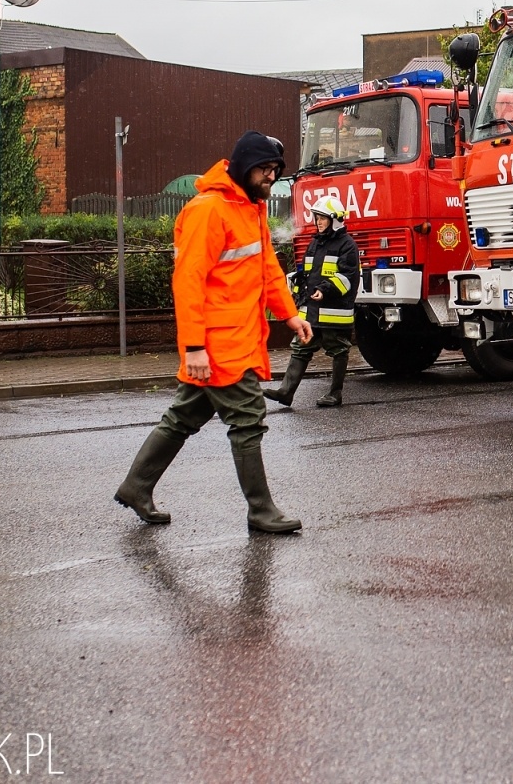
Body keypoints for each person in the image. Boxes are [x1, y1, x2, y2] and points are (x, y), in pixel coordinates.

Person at [113, 130, 313, 534]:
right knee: (248, 418)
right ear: (243, 166)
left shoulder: (249, 208)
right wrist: (194, 347)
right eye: (264, 168)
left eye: (275, 170)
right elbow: (188, 282)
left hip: (236, 337)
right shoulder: (209, 210)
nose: (271, 176)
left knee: (182, 417)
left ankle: (136, 486)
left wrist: (290, 315)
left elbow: (267, 270)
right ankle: (261, 510)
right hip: (219, 343)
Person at [264, 195, 359, 408]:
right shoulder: (315, 243)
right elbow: (308, 274)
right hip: (312, 311)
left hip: (334, 312)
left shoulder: (347, 245)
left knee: (338, 350)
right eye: (317, 218)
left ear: (335, 219)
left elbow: (348, 277)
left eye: (322, 218)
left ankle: (335, 394)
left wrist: (325, 289)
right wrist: (299, 287)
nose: (318, 222)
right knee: (300, 347)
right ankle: (285, 393)